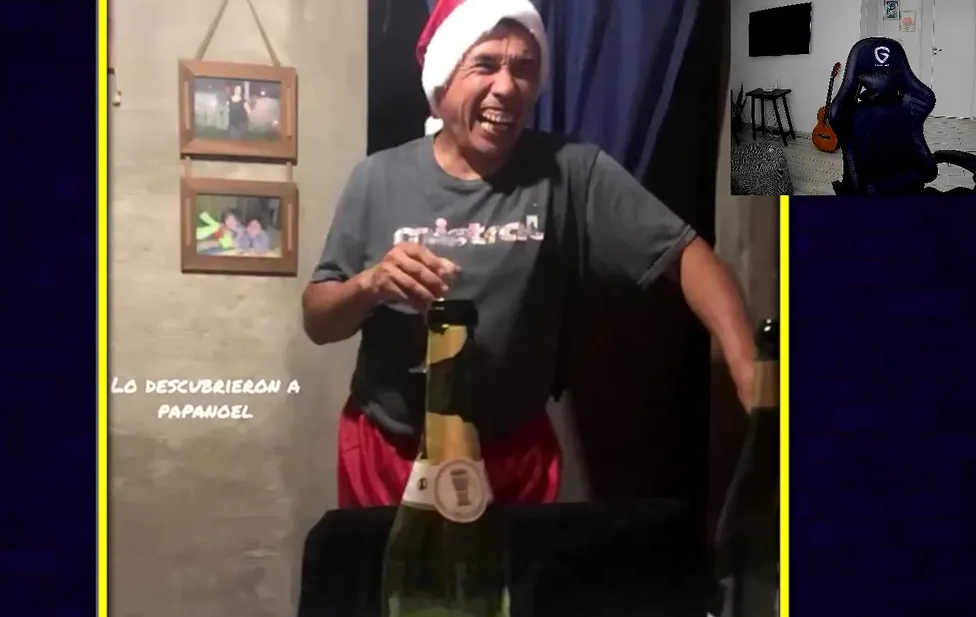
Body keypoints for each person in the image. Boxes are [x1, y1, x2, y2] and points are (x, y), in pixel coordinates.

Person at [302, 0, 757, 508]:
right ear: (443, 79)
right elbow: (319, 321)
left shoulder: (571, 172)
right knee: (383, 565)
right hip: (389, 455)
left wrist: (748, 369)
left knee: (521, 566)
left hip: (509, 459)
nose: (507, 86)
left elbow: (689, 256)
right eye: (485, 64)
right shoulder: (377, 177)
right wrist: (370, 284)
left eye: (523, 68)